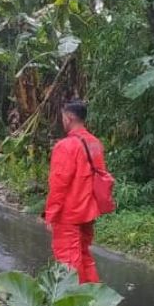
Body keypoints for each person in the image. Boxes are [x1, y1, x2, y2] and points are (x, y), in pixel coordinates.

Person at [44, 100, 106, 283]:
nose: (62, 121)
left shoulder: (65, 146)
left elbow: (59, 184)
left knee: (68, 260)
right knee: (84, 255)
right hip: (88, 211)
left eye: (63, 117)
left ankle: (72, 303)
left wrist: (51, 215)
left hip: (69, 213)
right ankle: (93, 300)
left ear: (69, 117)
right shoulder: (95, 143)